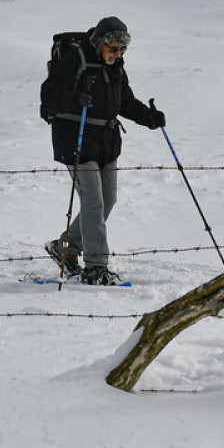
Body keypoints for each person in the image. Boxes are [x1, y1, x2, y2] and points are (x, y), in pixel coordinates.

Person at [40, 16, 165, 284]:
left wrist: (150, 118)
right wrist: (75, 99)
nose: (117, 54)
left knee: (108, 200)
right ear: (99, 42)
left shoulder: (116, 66)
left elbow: (125, 102)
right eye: (113, 48)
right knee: (94, 203)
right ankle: (96, 267)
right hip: (75, 139)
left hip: (106, 143)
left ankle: (66, 248)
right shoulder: (75, 58)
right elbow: (48, 94)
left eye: (122, 50)